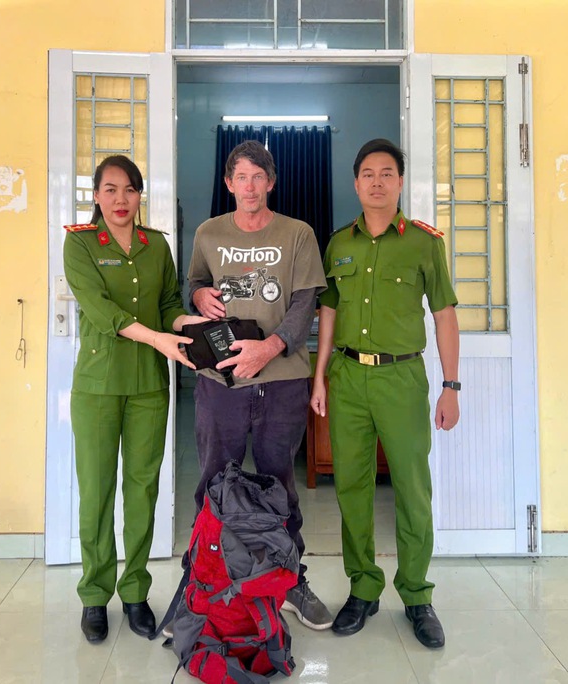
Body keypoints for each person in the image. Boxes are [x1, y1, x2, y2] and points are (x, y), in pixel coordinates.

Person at [311, 139, 460, 648]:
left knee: (412, 489)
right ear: (356, 183)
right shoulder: (339, 243)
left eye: (387, 173)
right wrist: (320, 376)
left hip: (402, 379)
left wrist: (451, 386)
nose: (377, 181)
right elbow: (328, 312)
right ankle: (363, 588)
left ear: (399, 182)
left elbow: (444, 315)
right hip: (348, 378)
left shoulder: (423, 243)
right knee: (352, 487)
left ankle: (416, 594)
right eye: (368, 174)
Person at [187, 140, 333, 631]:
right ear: (228, 183)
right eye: (240, 177)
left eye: (258, 177)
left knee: (280, 484)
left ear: (271, 181)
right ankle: (203, 583)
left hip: (282, 381)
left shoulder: (298, 234)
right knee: (213, 481)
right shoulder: (209, 232)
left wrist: (269, 348)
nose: (249, 187)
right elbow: (195, 283)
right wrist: (199, 295)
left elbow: (305, 301)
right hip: (220, 380)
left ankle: (290, 582)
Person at [63, 155, 206, 644]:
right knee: (97, 491)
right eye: (110, 189)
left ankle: (136, 592)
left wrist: (189, 325)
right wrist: (157, 338)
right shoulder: (80, 243)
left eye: (129, 189)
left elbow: (168, 304)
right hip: (98, 386)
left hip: (148, 385)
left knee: (142, 490)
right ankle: (94, 595)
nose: (120, 199)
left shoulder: (156, 245)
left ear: (140, 195)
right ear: (96, 195)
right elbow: (101, 310)